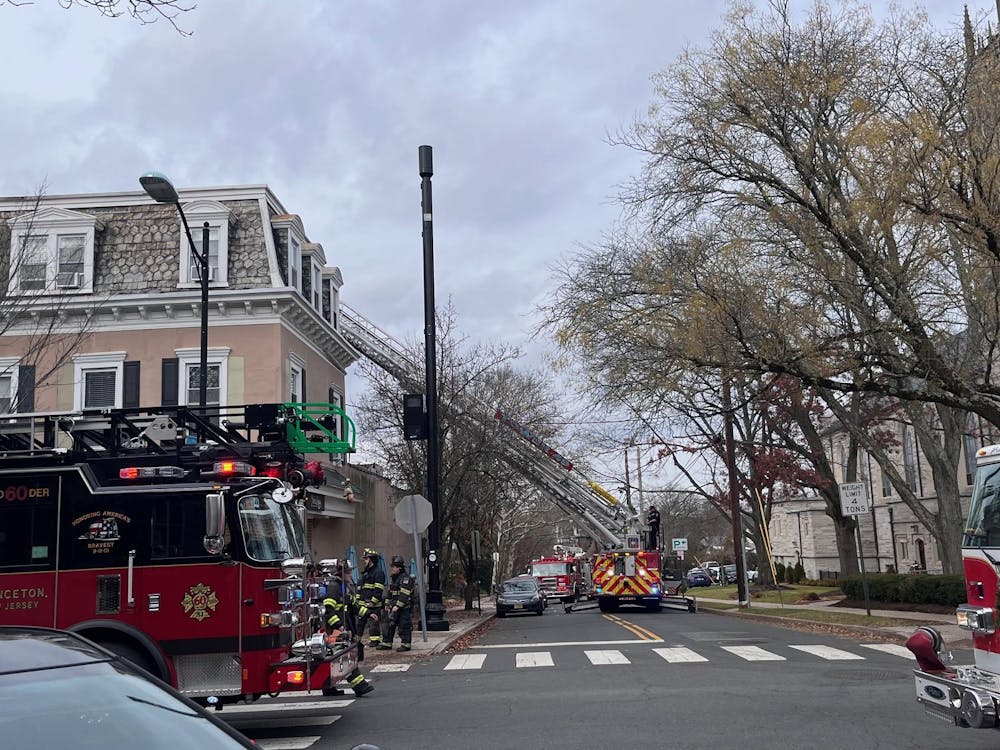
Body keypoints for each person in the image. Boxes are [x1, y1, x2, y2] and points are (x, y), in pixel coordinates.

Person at [320, 565, 374, 697]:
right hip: (335, 631)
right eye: (349, 573)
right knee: (346, 658)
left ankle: (328, 688)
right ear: (341, 574)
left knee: (335, 659)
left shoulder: (345, 588)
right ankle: (360, 686)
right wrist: (338, 626)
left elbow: (354, 607)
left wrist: (368, 614)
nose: (351, 575)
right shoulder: (334, 588)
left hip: (344, 628)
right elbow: (328, 611)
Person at [378, 555, 415, 652]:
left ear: (399, 568)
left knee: (404, 625)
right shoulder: (394, 579)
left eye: (394, 567)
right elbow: (389, 594)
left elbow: (404, 595)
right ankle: (387, 642)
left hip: (403, 608)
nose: (392, 569)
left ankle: (406, 644)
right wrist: (386, 604)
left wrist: (398, 606)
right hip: (393, 606)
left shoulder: (406, 579)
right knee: (388, 624)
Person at [356, 547, 386, 648]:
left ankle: (375, 642)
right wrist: (358, 601)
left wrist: (372, 602)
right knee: (359, 625)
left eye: (366, 559)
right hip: (363, 605)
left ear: (371, 560)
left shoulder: (378, 573)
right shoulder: (365, 573)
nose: (364, 561)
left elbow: (378, 590)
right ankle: (356, 642)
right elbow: (360, 589)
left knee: (373, 625)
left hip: (373, 606)